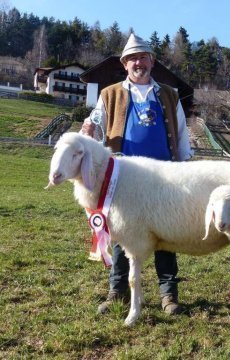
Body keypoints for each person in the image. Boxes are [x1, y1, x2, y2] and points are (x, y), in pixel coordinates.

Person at [81, 33, 193, 316]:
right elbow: (94, 125)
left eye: (143, 57)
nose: (138, 62)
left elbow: (181, 135)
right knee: (121, 235)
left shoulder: (169, 94)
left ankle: (169, 296)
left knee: (166, 236)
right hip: (122, 180)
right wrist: (88, 132)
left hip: (164, 178)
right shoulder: (110, 94)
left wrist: (185, 164)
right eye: (132, 58)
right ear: (124, 63)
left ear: (152, 62)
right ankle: (117, 292)